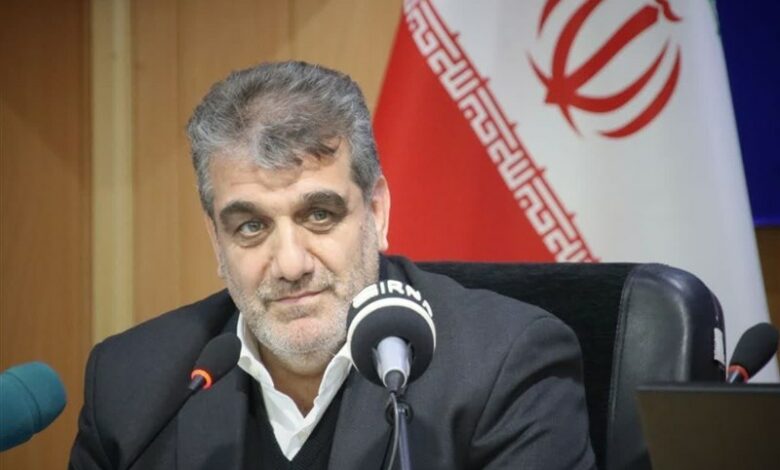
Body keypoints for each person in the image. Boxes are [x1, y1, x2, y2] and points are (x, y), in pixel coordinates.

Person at [69, 61, 595, 469]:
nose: (290, 264)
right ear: (216, 240)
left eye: (319, 215)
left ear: (377, 212)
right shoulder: (133, 386)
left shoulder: (502, 366)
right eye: (250, 226)